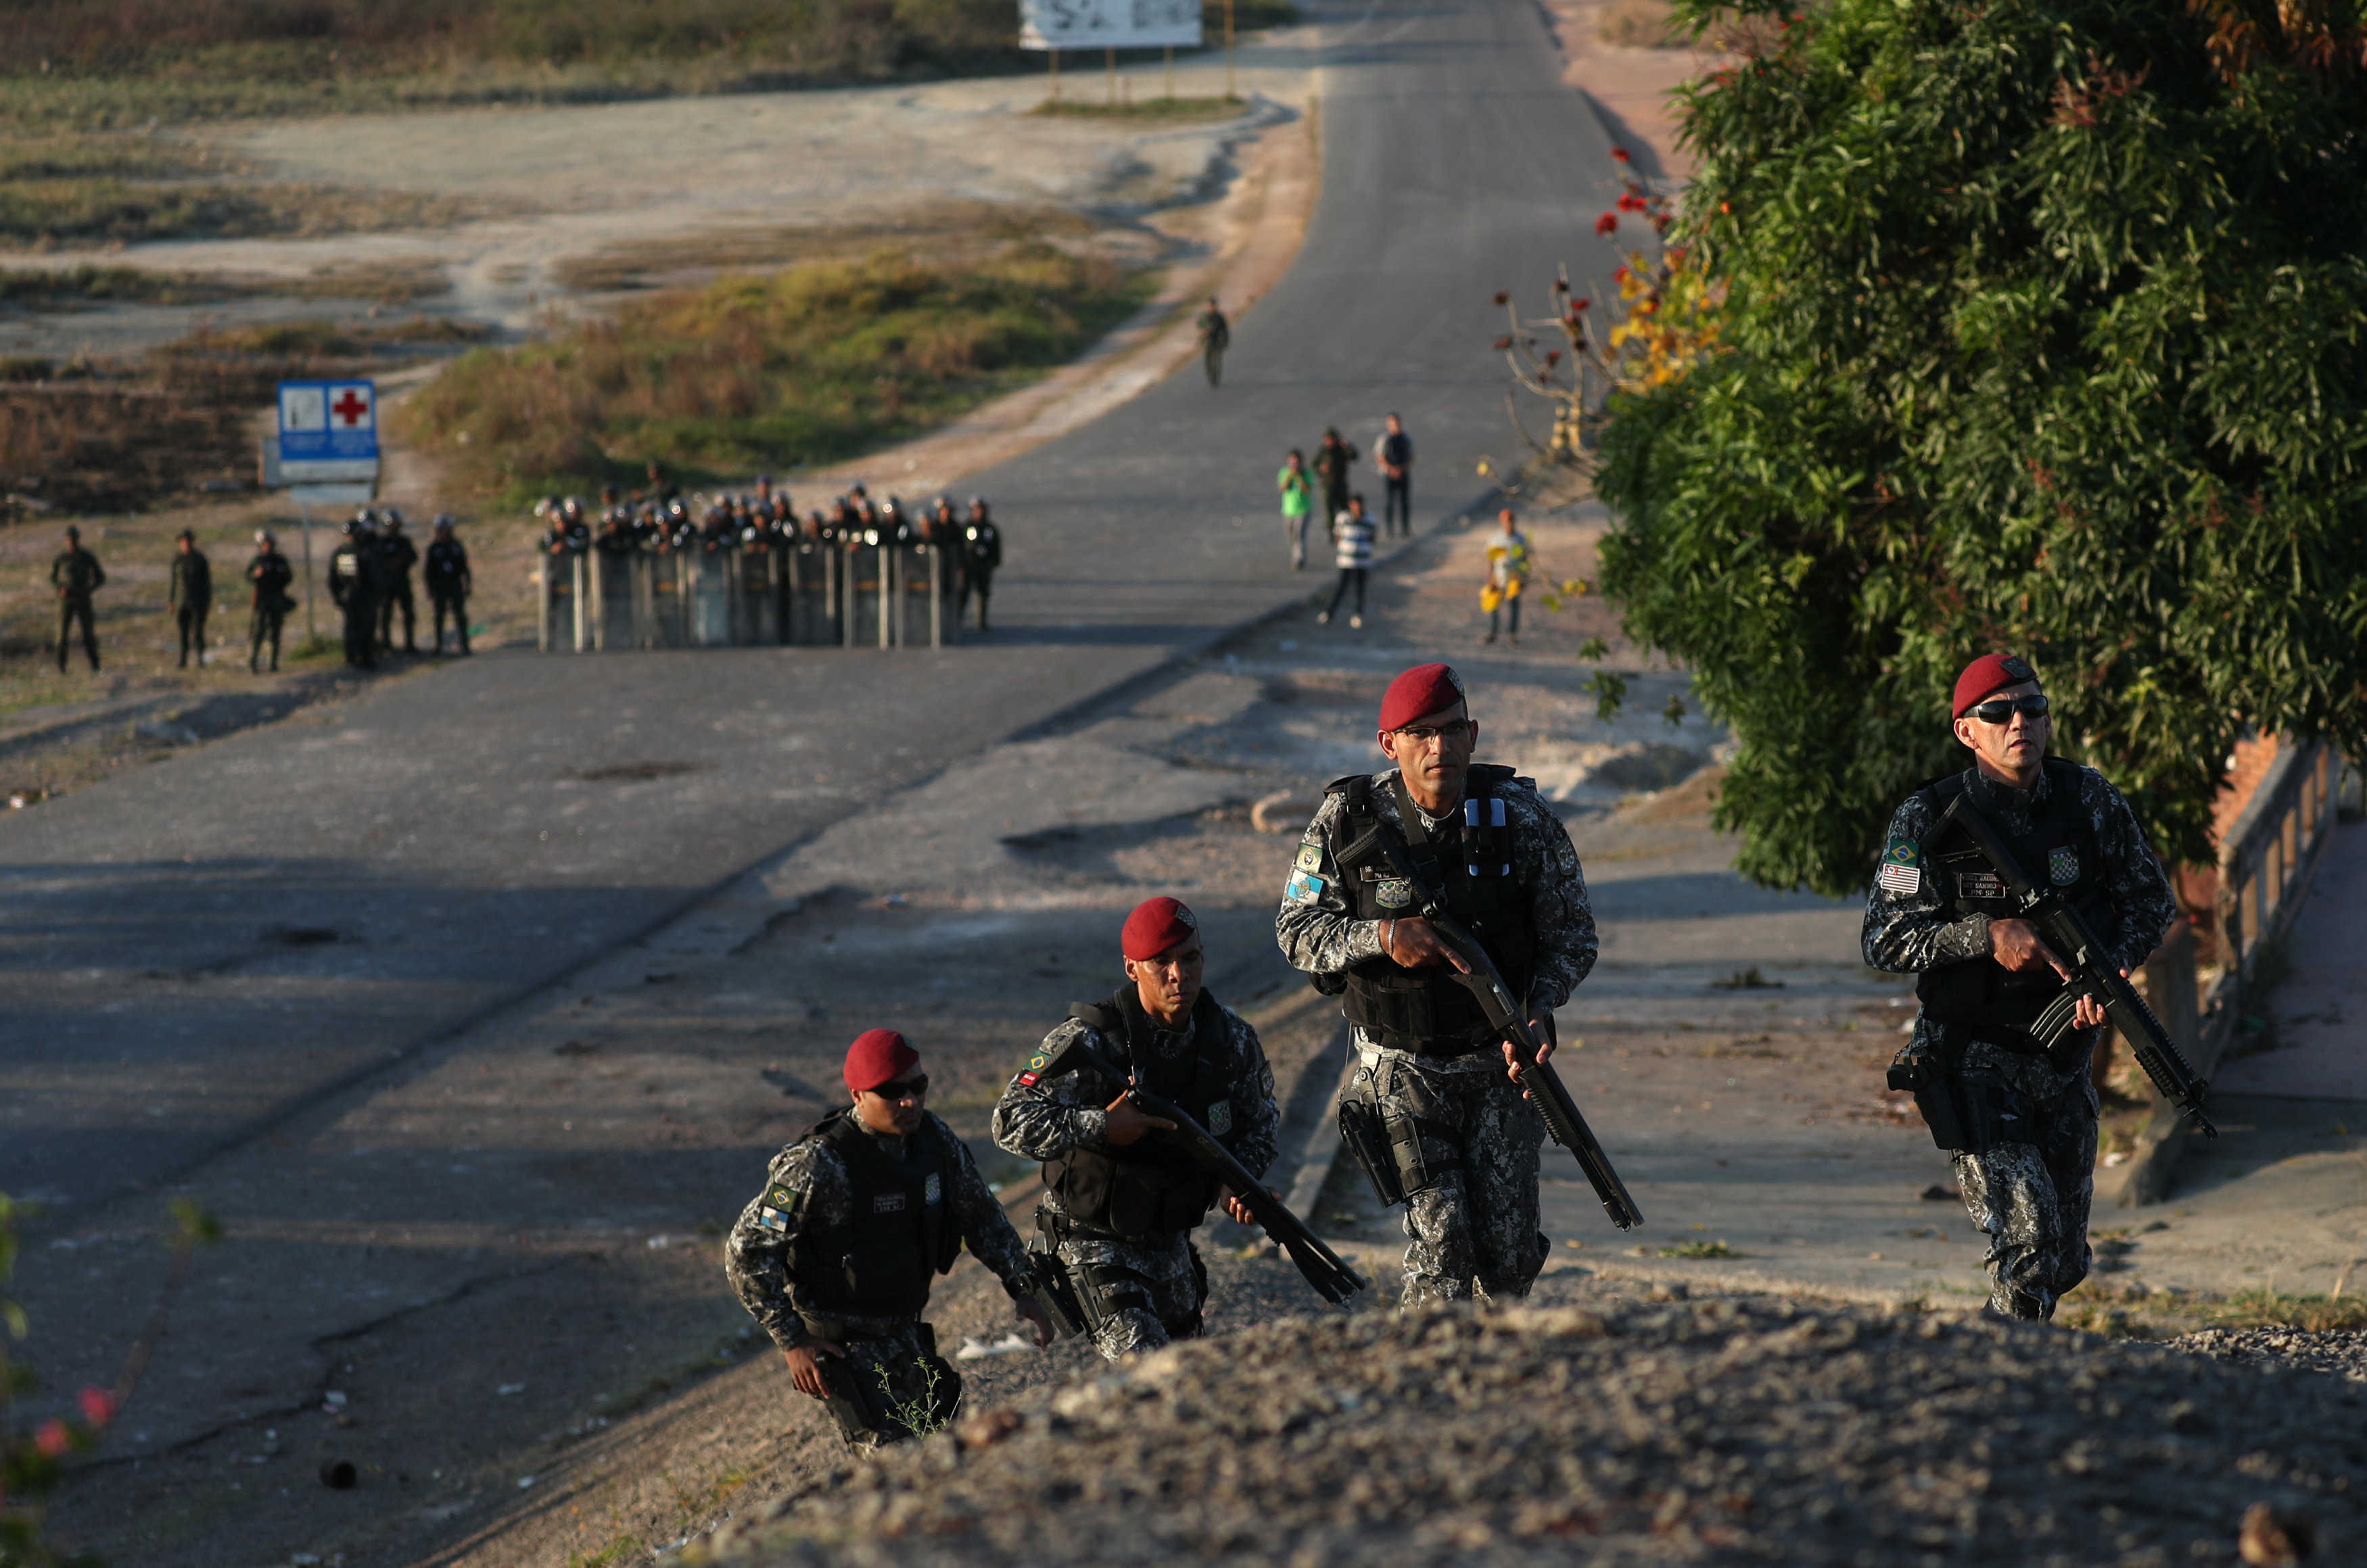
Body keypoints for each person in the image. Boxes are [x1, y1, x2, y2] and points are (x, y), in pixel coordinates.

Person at [1865, 653, 2176, 1321]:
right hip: (1970, 1053)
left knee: (2064, 1260)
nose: (2018, 723)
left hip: (2061, 1061)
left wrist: (2107, 971)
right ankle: (2003, 1388)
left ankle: (2007, 1358)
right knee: (2028, 1244)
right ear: (1964, 732)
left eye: (2032, 708)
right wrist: (1983, 936)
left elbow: (2151, 903)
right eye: (1997, 713)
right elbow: (1883, 939)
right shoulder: (1924, 820)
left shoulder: (2087, 801)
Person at [1277, 662, 1599, 1309]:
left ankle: (1492, 1388)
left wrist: (1538, 1009)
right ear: (1389, 745)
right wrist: (1385, 939)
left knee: (1508, 1265)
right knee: (1442, 1244)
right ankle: (1421, 1390)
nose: (1439, 747)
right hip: (1401, 1070)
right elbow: (1295, 929)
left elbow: (1574, 938)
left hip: (1498, 1068)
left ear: (1474, 735)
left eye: (1452, 730)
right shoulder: (1348, 821)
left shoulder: (1520, 819)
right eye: (1420, 733)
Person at [725, 1030, 1050, 1450]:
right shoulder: (818, 1163)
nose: (910, 1101)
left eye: (919, 1086)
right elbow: (745, 1251)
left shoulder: (933, 1140)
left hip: (908, 1332)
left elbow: (982, 1216)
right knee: (894, 1462)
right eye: (892, 1092)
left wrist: (1022, 1286)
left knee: (951, 1454)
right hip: (844, 1345)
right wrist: (793, 1340)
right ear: (858, 1095)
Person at [993, 898, 1279, 1360]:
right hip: (1094, 1242)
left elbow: (1261, 1124)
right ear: (1132, 968)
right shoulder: (1091, 1039)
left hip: (1171, 1246)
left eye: (1190, 958)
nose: (1178, 975)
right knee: (1150, 1370)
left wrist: (1236, 1180)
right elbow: (1008, 1120)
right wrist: (1103, 1124)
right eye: (1161, 963)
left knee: (1190, 1381)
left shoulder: (1230, 1039)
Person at [51, 524, 105, 673]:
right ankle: (61, 666)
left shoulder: (87, 557)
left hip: (82, 599)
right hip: (66, 600)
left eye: (73, 539)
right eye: (68, 539)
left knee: (88, 633)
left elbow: (100, 577)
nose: (71, 542)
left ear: (77, 540)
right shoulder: (61, 558)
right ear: (65, 541)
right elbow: (53, 578)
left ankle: (95, 664)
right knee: (62, 634)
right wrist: (59, 588)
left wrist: (89, 589)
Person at [1317, 493, 1376, 629]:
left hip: (1362, 561)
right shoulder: (1343, 518)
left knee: (1360, 589)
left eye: (1359, 504)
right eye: (1355, 504)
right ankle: (1329, 613)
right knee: (1341, 588)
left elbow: (1373, 538)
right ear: (1350, 504)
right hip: (1346, 561)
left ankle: (1358, 614)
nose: (1357, 507)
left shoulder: (1370, 520)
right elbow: (1338, 535)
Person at [327, 519, 378, 670]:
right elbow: (374, 576)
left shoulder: (339, 552)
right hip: (364, 597)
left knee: (350, 627)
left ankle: (351, 656)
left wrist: (336, 595)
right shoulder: (365, 551)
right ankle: (364, 657)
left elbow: (333, 579)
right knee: (366, 627)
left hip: (347, 597)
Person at [1481, 508, 1537, 645]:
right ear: (1502, 522)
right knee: (1493, 606)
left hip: (1514, 579)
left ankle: (1513, 635)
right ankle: (1492, 633)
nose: (1509, 523)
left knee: (1514, 607)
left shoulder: (1521, 539)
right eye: (1506, 521)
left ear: (1514, 521)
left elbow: (1527, 560)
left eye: (1511, 520)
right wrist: (1490, 578)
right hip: (1499, 577)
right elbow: (1490, 560)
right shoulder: (1496, 539)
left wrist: (1525, 578)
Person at [245, 530, 294, 674]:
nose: (267, 547)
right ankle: (252, 662)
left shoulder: (280, 560)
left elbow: (289, 578)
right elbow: (248, 576)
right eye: (265, 544)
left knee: (275, 631)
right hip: (261, 601)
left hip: (277, 599)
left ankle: (273, 663)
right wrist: (256, 574)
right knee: (258, 631)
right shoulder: (258, 560)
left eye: (270, 544)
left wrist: (285, 574)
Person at [424, 517, 472, 656]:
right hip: (440, 586)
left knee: (460, 615)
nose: (444, 532)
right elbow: (428, 572)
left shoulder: (456, 546)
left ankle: (464, 644)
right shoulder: (434, 548)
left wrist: (467, 585)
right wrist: (429, 588)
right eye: (442, 529)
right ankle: (438, 646)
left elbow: (464, 567)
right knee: (439, 616)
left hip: (455, 584)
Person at [375, 510, 419, 655]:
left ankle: (410, 644)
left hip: (403, 582)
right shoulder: (381, 543)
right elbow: (377, 563)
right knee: (386, 615)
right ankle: (387, 644)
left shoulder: (404, 541)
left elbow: (414, 557)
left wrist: (402, 560)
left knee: (408, 614)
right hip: (387, 584)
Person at [168, 529, 212, 669]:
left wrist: (207, 601)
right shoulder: (178, 560)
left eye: (188, 541)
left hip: (197, 601)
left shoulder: (200, 560)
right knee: (183, 632)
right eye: (183, 542)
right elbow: (174, 582)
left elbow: (207, 583)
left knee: (198, 631)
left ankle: (200, 659)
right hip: (182, 601)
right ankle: (183, 660)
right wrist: (171, 601)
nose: (186, 544)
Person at [959, 497, 1002, 633]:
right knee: (963, 593)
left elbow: (996, 548)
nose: (980, 512)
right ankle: (958, 621)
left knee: (983, 593)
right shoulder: (966, 527)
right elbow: (960, 548)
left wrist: (993, 562)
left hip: (984, 567)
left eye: (982, 509)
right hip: (968, 566)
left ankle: (981, 622)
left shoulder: (991, 529)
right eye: (977, 510)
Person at [1378, 413, 1415, 538]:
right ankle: (1389, 529)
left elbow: (1411, 457)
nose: (1395, 426)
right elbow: (1380, 457)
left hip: (1404, 473)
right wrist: (1392, 469)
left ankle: (1405, 529)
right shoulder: (1384, 439)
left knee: (1405, 502)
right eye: (1392, 423)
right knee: (1389, 502)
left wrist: (1401, 469)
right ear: (1388, 424)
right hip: (1388, 474)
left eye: (1397, 423)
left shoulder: (1406, 438)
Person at [1277, 449, 1313, 570]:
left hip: (1303, 510)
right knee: (1291, 536)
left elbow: (1306, 489)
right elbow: (1283, 488)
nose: (1294, 464)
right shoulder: (1284, 472)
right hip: (1288, 510)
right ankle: (1295, 555)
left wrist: (1299, 477)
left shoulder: (1306, 473)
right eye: (1292, 461)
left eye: (1297, 462)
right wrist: (1290, 476)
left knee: (1300, 536)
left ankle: (1299, 559)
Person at [1313, 427, 1358, 525]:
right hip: (1327, 484)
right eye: (1327, 439)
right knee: (1329, 510)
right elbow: (1313, 465)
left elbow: (1354, 456)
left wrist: (1346, 445)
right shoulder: (1323, 451)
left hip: (1341, 483)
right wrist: (1321, 470)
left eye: (1332, 439)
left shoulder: (1341, 449)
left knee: (1345, 509)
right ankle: (1331, 532)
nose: (1329, 442)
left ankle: (1347, 528)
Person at [1195, 297, 1229, 387]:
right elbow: (1199, 325)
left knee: (1217, 361)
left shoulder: (1219, 317)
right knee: (1208, 362)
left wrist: (1225, 341)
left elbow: (1225, 330)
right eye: (1210, 306)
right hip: (1207, 342)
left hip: (1217, 341)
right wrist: (1203, 331)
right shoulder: (1204, 316)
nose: (1211, 308)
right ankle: (1211, 378)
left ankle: (1215, 377)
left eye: (1213, 306)